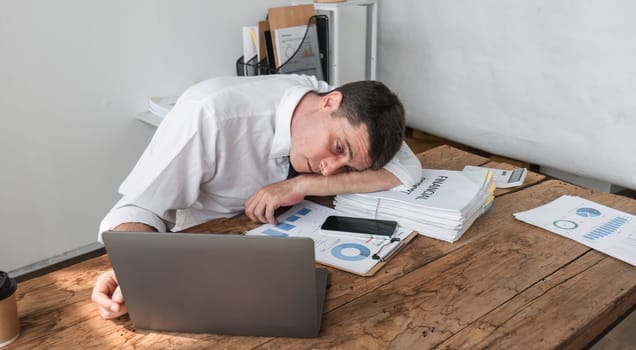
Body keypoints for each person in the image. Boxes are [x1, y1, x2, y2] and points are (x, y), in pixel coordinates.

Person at [92, 74, 422, 319]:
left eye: (347, 166)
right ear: (329, 102)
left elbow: (407, 169)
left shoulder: (346, 112)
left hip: (284, 258)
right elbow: (137, 207)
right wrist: (134, 268)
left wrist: (300, 185)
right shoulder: (208, 114)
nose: (329, 170)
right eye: (338, 148)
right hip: (203, 258)